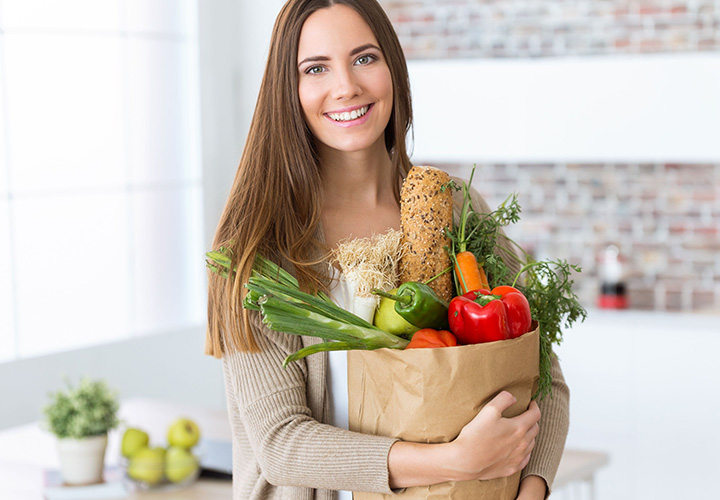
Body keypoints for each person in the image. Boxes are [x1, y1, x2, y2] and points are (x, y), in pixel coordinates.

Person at [205, 1, 570, 499]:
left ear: (393, 68)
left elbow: (542, 374)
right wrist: (454, 462)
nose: (346, 87)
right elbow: (281, 444)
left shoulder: (458, 209)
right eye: (315, 68)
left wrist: (531, 490)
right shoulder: (258, 246)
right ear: (287, 91)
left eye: (364, 58)